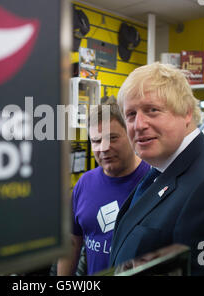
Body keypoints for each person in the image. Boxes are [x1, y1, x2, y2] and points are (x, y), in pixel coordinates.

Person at [109, 62, 204, 275]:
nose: (138, 124)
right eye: (130, 114)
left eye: (152, 110)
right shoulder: (161, 169)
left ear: (186, 113)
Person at [57, 97, 150, 275]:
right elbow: (72, 242)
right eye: (97, 141)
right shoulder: (84, 183)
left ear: (131, 134)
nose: (104, 147)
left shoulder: (154, 183)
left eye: (112, 138)